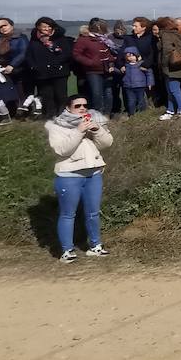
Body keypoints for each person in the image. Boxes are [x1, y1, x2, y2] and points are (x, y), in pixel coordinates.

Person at [45, 93, 113, 262]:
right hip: (69, 175)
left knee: (93, 212)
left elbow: (107, 143)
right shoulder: (56, 126)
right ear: (68, 108)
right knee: (68, 214)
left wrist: (97, 130)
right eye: (77, 106)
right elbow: (62, 150)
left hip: (93, 173)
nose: (82, 108)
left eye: (85, 105)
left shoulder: (93, 121)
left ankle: (96, 246)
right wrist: (78, 131)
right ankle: (67, 250)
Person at [26, 18, 73, 120]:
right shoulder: (34, 39)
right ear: (38, 27)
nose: (47, 29)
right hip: (41, 73)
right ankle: (49, 115)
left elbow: (67, 53)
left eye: (49, 26)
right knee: (47, 95)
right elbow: (29, 55)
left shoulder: (60, 38)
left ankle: (62, 115)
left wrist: (56, 63)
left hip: (59, 72)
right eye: (44, 26)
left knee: (61, 95)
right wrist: (33, 66)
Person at [73, 19, 118, 117]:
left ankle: (107, 114)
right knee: (97, 94)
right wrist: (90, 62)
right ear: (98, 27)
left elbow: (108, 53)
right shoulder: (84, 40)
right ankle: (98, 115)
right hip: (93, 71)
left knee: (108, 93)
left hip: (107, 70)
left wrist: (111, 63)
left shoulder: (104, 39)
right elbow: (76, 55)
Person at [155, 17, 181, 119]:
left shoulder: (165, 35)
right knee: (172, 90)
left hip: (171, 67)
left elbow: (166, 52)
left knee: (173, 90)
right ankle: (171, 111)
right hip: (179, 65)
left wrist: (164, 66)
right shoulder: (177, 35)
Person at [121, 49, 154, 115]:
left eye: (133, 55)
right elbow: (120, 72)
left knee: (141, 100)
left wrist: (150, 83)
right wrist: (116, 69)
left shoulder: (141, 64)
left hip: (140, 86)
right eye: (129, 56)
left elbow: (149, 72)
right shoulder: (126, 66)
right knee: (131, 101)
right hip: (129, 86)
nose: (131, 57)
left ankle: (142, 113)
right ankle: (131, 114)